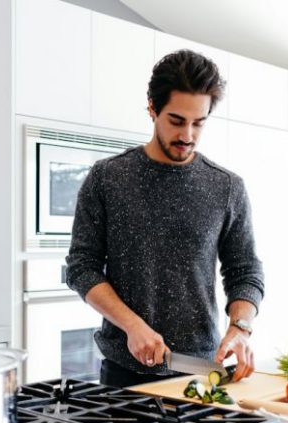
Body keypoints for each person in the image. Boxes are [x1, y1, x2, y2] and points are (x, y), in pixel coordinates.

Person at [65, 49, 264, 388]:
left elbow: (245, 270)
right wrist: (131, 325)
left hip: (202, 371)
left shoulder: (227, 187)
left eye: (198, 123)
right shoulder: (107, 178)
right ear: (152, 109)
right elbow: (81, 268)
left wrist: (240, 327)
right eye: (176, 120)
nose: (187, 135)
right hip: (123, 373)